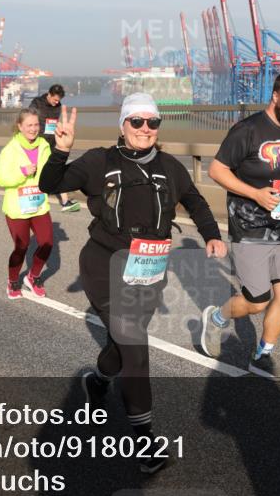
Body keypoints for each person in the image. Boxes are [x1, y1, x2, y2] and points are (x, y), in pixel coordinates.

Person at [39, 93, 225, 473]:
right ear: (122, 125)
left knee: (121, 346)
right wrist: (60, 151)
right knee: (136, 350)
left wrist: (211, 234)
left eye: (152, 123)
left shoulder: (170, 167)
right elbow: (49, 183)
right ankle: (144, 445)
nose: (145, 129)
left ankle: (98, 380)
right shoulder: (98, 162)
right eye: (136, 122)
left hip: (148, 270)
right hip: (105, 265)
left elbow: (196, 201)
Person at [200, 70, 280, 380]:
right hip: (251, 228)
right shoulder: (248, 130)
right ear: (275, 97)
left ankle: (262, 356)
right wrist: (255, 193)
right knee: (257, 302)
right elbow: (216, 170)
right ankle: (216, 318)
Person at [0, 108, 53, 299]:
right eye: (29, 125)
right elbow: (1, 179)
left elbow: (49, 172)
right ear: (20, 126)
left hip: (38, 204)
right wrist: (22, 171)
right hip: (17, 208)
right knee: (22, 247)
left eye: (36, 125)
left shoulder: (44, 145)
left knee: (47, 243)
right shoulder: (10, 150)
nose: (33, 129)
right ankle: (13, 281)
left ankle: (33, 276)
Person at [29, 84, 80, 212]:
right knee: (38, 171)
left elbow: (54, 123)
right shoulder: (37, 103)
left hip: (53, 142)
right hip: (38, 142)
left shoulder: (58, 107)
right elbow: (29, 120)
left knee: (58, 170)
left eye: (59, 100)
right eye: (55, 99)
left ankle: (65, 202)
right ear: (49, 94)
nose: (57, 102)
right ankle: (33, 201)